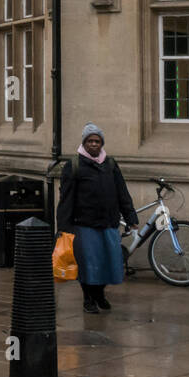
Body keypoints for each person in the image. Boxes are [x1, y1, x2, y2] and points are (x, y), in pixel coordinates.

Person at [58, 123, 138, 314]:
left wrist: (130, 216)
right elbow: (66, 199)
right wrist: (63, 227)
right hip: (84, 225)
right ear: (84, 143)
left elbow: (121, 192)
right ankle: (88, 299)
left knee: (109, 262)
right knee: (89, 264)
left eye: (97, 141)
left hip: (109, 222)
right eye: (90, 141)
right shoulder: (74, 166)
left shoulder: (110, 164)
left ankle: (100, 294)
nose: (94, 144)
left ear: (102, 143)